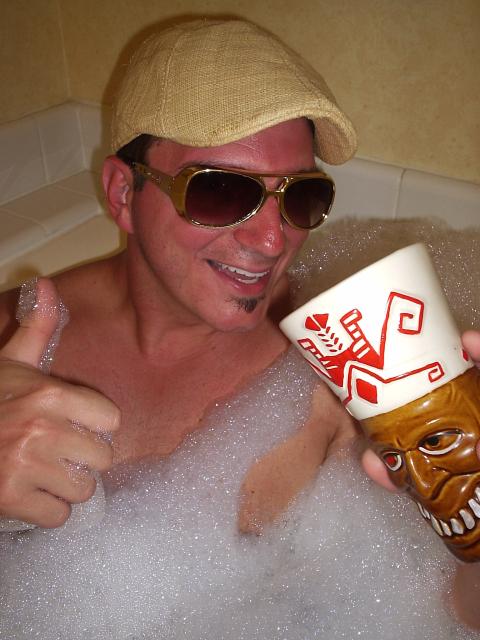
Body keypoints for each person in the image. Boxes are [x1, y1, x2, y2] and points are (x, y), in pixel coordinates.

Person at [0, 17, 479, 634]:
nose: (273, 238)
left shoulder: (348, 366)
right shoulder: (12, 338)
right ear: (122, 194)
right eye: (221, 192)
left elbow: (451, 609)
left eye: (300, 197)